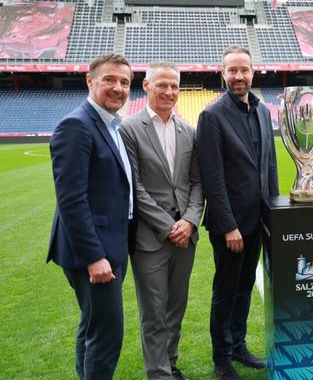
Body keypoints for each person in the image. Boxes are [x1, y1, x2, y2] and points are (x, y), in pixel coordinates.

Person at [47, 53, 135, 380]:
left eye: (124, 82)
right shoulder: (77, 125)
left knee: (92, 325)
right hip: (94, 254)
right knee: (107, 334)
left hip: (111, 245)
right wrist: (94, 258)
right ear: (90, 81)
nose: (118, 88)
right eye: (109, 79)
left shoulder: (111, 125)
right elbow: (71, 200)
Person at [196, 45, 279, 380]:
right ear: (223, 74)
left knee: (244, 287)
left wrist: (273, 214)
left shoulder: (262, 111)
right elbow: (212, 178)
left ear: (252, 72)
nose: (239, 76)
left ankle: (238, 345)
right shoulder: (212, 116)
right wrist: (229, 226)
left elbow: (269, 166)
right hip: (230, 226)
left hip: (257, 221)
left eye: (244, 70)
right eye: (233, 70)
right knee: (226, 291)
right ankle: (222, 358)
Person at [119, 62, 204, 380]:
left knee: (176, 307)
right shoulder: (129, 129)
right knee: (154, 312)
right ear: (146, 86)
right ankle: (158, 374)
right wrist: (168, 227)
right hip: (150, 238)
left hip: (186, 236)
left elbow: (197, 183)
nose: (169, 92)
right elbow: (134, 187)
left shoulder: (188, 131)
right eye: (162, 85)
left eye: (174, 86)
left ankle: (170, 362)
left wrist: (190, 221)